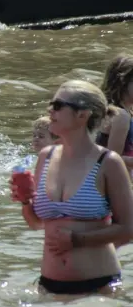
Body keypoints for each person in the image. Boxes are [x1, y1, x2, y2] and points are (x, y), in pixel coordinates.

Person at [10, 80, 133, 295]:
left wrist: (78, 240)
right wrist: (25, 200)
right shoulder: (45, 157)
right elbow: (37, 223)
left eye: (58, 105)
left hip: (99, 288)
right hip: (49, 286)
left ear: (82, 115)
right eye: (51, 104)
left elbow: (128, 229)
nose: (50, 110)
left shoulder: (108, 162)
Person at [96, 53, 133, 170]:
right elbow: (111, 161)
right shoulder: (120, 116)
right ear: (123, 83)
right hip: (109, 183)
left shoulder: (106, 109)